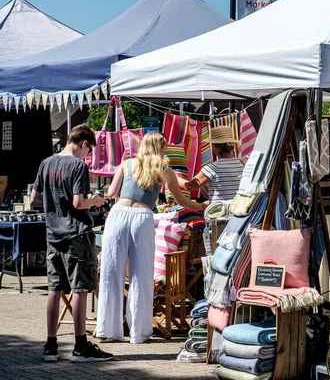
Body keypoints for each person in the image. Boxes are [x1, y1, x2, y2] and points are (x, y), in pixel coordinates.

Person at [96, 132, 204, 344]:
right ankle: (139, 332)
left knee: (111, 272)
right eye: (164, 148)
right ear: (160, 148)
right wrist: (200, 206)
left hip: (117, 215)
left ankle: (107, 330)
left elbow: (110, 193)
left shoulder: (126, 164)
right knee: (141, 274)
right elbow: (182, 201)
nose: (165, 151)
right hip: (142, 217)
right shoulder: (165, 170)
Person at [31, 124, 113, 363]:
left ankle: (50, 345)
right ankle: (80, 346)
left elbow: (35, 199)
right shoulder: (77, 166)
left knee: (54, 290)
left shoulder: (46, 163)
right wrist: (96, 201)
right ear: (85, 143)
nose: (87, 156)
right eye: (89, 152)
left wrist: (53, 205)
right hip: (76, 233)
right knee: (80, 288)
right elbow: (78, 203)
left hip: (53, 234)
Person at [184, 125, 245, 205]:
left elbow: (189, 186)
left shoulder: (213, 168)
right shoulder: (241, 164)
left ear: (216, 147)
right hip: (237, 210)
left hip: (220, 214)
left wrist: (174, 178)